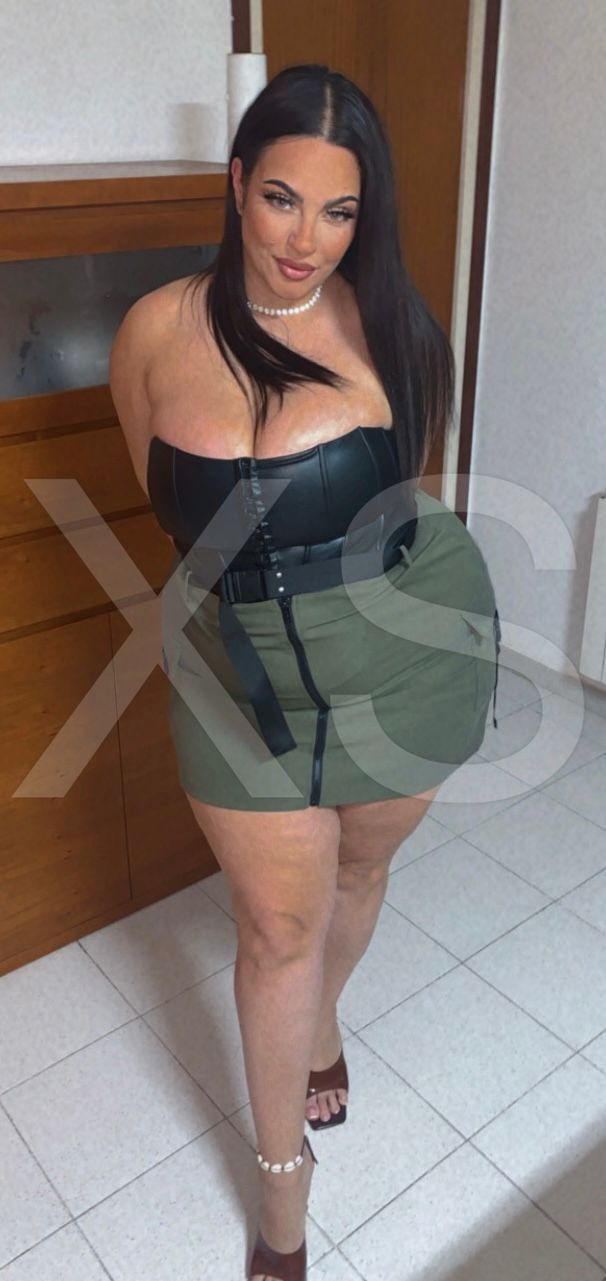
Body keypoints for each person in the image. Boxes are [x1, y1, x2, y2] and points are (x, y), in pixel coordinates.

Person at [109, 62, 501, 1281]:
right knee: (278, 924)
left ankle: (327, 1020)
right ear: (237, 183)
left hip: (398, 651)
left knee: (361, 869)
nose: (305, 241)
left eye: (339, 212)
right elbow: (168, 508)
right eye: (282, 199)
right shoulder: (156, 329)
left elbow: (400, 507)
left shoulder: (392, 328)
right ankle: (285, 1197)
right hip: (235, 672)